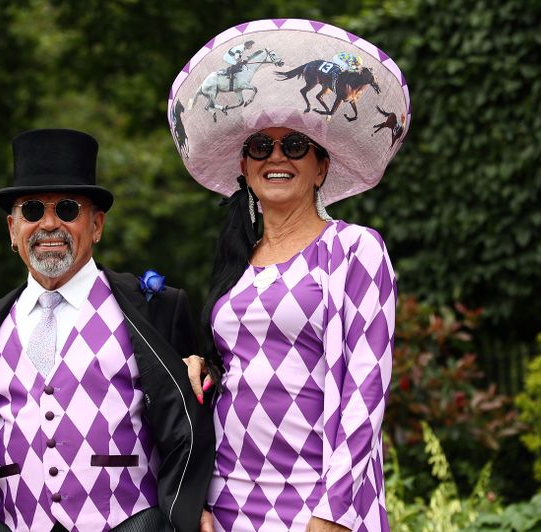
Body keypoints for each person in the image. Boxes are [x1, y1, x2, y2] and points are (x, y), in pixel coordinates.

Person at [0, 128, 214, 532]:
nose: (48, 225)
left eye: (66, 209)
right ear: (12, 229)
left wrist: (192, 505)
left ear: (96, 225)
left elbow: (191, 421)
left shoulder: (156, 307)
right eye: (31, 211)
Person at [168, 19, 411, 532]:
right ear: (246, 166)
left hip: (315, 502)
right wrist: (201, 367)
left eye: (295, 146)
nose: (277, 157)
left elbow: (366, 389)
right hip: (228, 499)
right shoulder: (237, 260)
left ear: (322, 166)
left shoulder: (353, 249)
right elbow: (238, 368)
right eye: (262, 147)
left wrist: (335, 512)